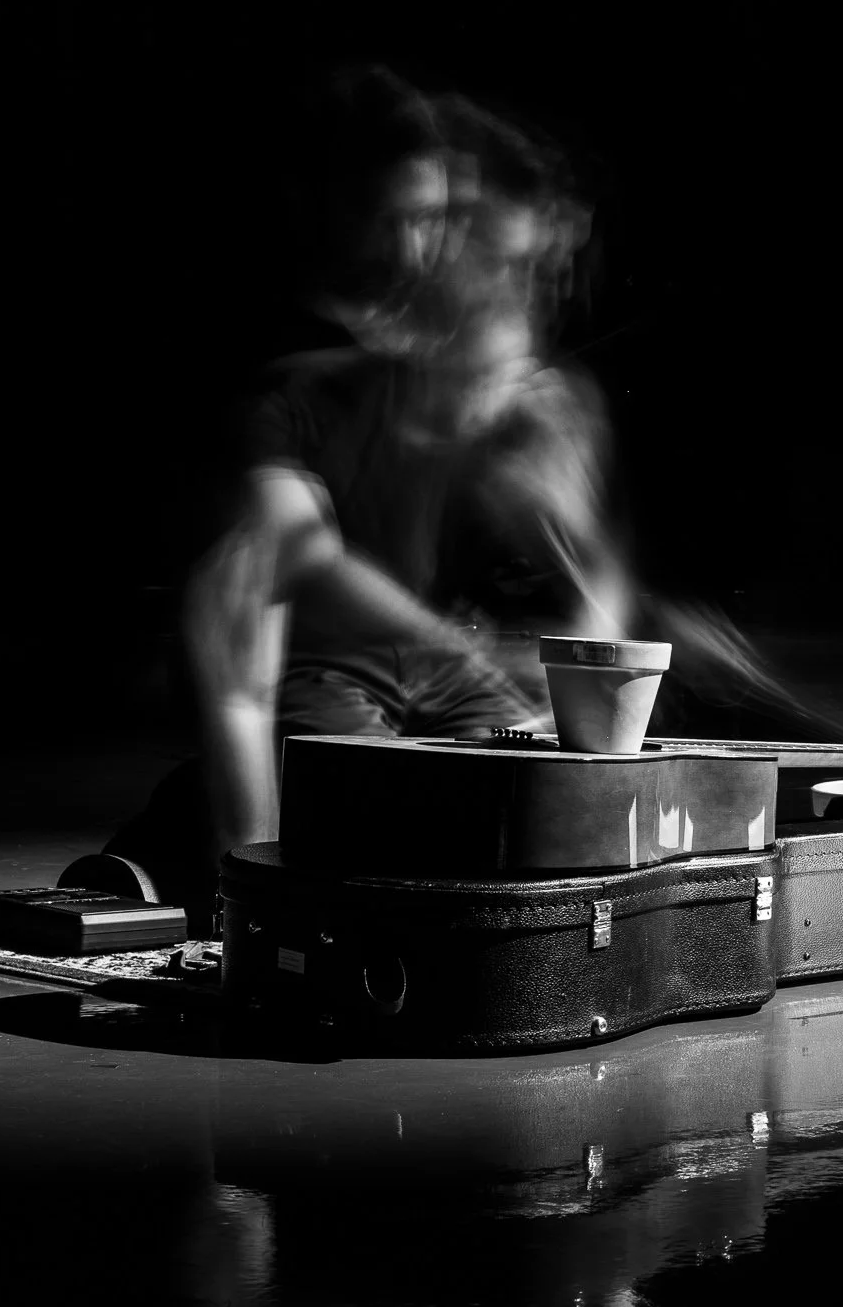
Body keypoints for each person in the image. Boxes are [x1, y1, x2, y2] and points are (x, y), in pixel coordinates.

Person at [93, 68, 634, 915]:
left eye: (437, 221)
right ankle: (189, 842)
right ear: (322, 207)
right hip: (301, 672)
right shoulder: (272, 367)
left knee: (541, 779)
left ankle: (220, 828)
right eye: (403, 220)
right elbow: (266, 597)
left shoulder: (412, 345)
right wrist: (254, 878)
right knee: (380, 805)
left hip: (401, 674)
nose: (423, 251)